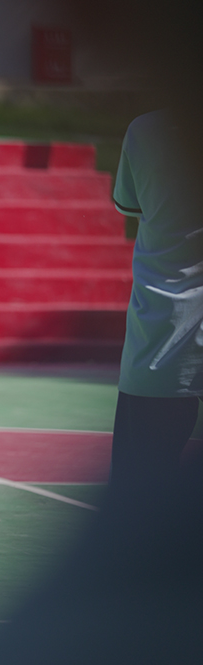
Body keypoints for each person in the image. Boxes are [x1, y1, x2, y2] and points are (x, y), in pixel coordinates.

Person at [109, 109, 203, 501]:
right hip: (163, 336)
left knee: (139, 497)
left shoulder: (145, 129)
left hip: (160, 335)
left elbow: (130, 207)